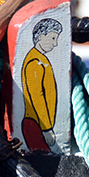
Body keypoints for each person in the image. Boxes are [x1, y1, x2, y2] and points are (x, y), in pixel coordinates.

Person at [21, 18, 63, 151]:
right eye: (52, 38)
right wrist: (46, 128)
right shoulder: (34, 62)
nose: (55, 43)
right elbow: (36, 95)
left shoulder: (41, 58)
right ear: (40, 37)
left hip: (39, 124)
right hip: (35, 124)